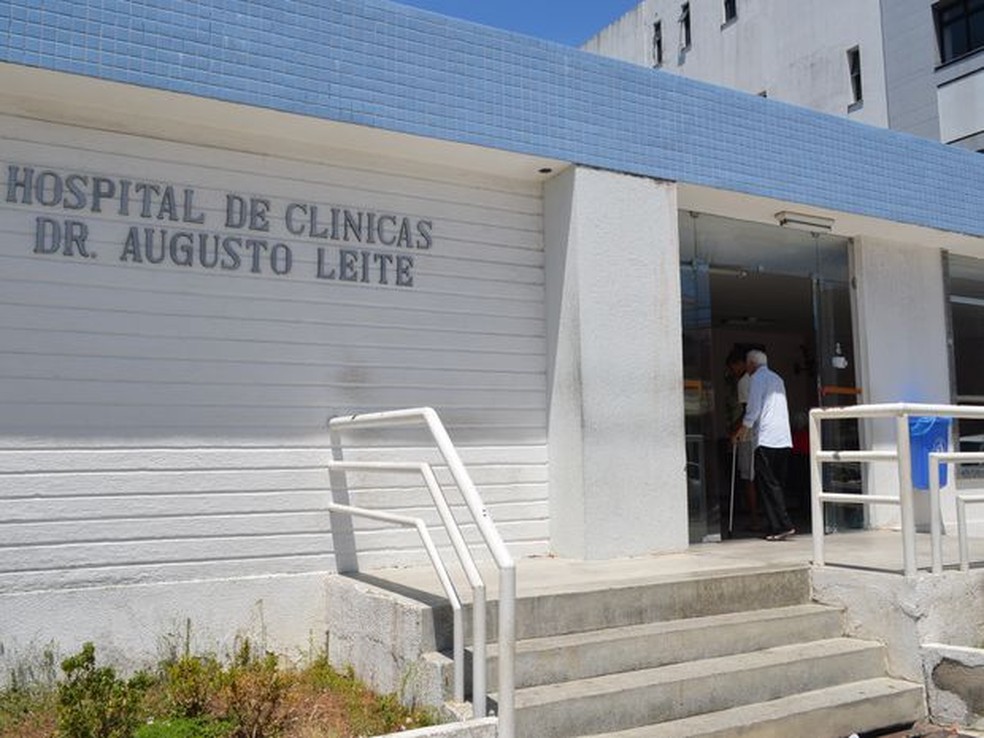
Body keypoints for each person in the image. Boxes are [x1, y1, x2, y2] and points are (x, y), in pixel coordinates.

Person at [737, 349, 795, 541]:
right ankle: (777, 525)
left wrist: (743, 428)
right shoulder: (778, 379)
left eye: (747, 364)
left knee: (768, 485)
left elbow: (754, 407)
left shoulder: (757, 380)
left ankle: (781, 525)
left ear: (752, 364)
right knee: (777, 484)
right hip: (784, 438)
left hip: (767, 438)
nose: (747, 367)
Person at [725, 349, 759, 528]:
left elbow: (747, 411)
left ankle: (755, 519)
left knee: (748, 477)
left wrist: (735, 431)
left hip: (748, 435)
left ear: (740, 364)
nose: (732, 372)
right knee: (759, 477)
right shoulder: (760, 379)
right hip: (762, 435)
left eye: (732, 368)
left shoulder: (744, 382)